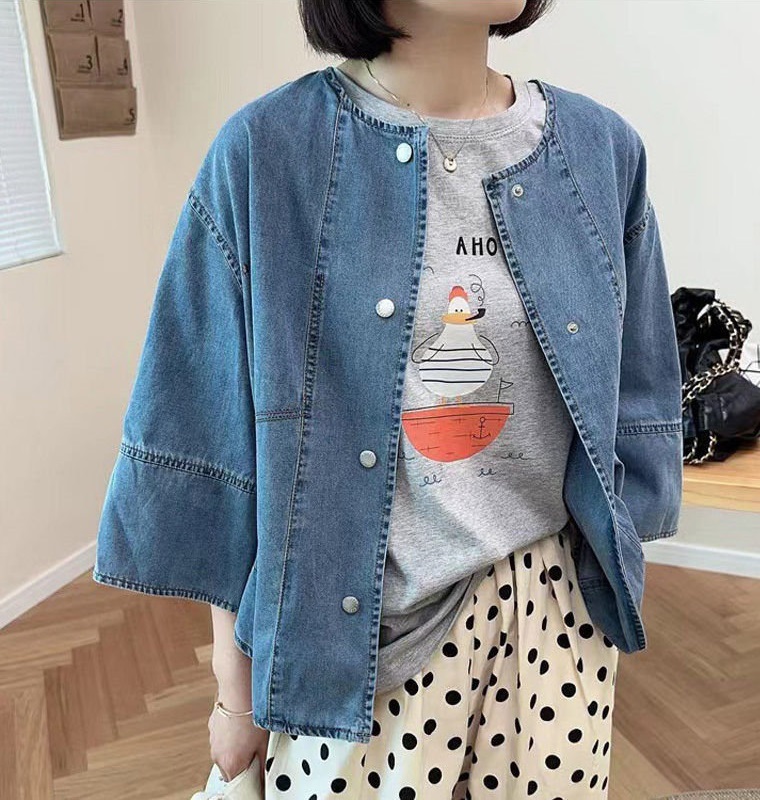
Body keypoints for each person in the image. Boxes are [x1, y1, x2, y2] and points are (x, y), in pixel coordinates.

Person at [93, 0, 684, 797]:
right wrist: (237, 696)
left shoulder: (602, 150)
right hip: (354, 643)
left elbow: (636, 389)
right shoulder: (267, 154)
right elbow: (212, 434)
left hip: (556, 620)